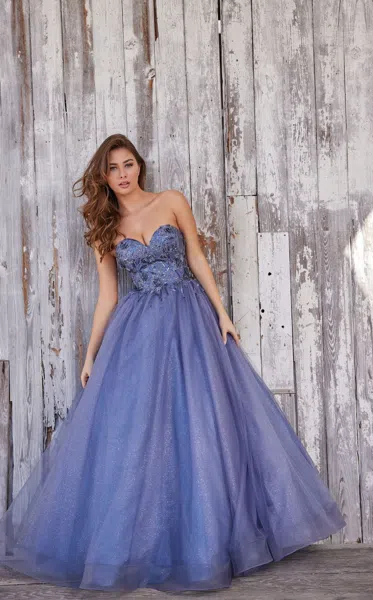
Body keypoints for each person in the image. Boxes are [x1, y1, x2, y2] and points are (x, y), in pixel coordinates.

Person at [0, 133, 346, 592]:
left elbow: (197, 258)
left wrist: (222, 313)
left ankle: (209, 545)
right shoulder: (105, 225)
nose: (122, 175)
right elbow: (108, 296)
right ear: (104, 177)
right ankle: (145, 545)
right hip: (139, 331)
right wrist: (90, 353)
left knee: (201, 421)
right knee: (140, 430)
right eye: (112, 169)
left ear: (138, 165)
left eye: (128, 164)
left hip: (189, 319)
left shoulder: (171, 201)